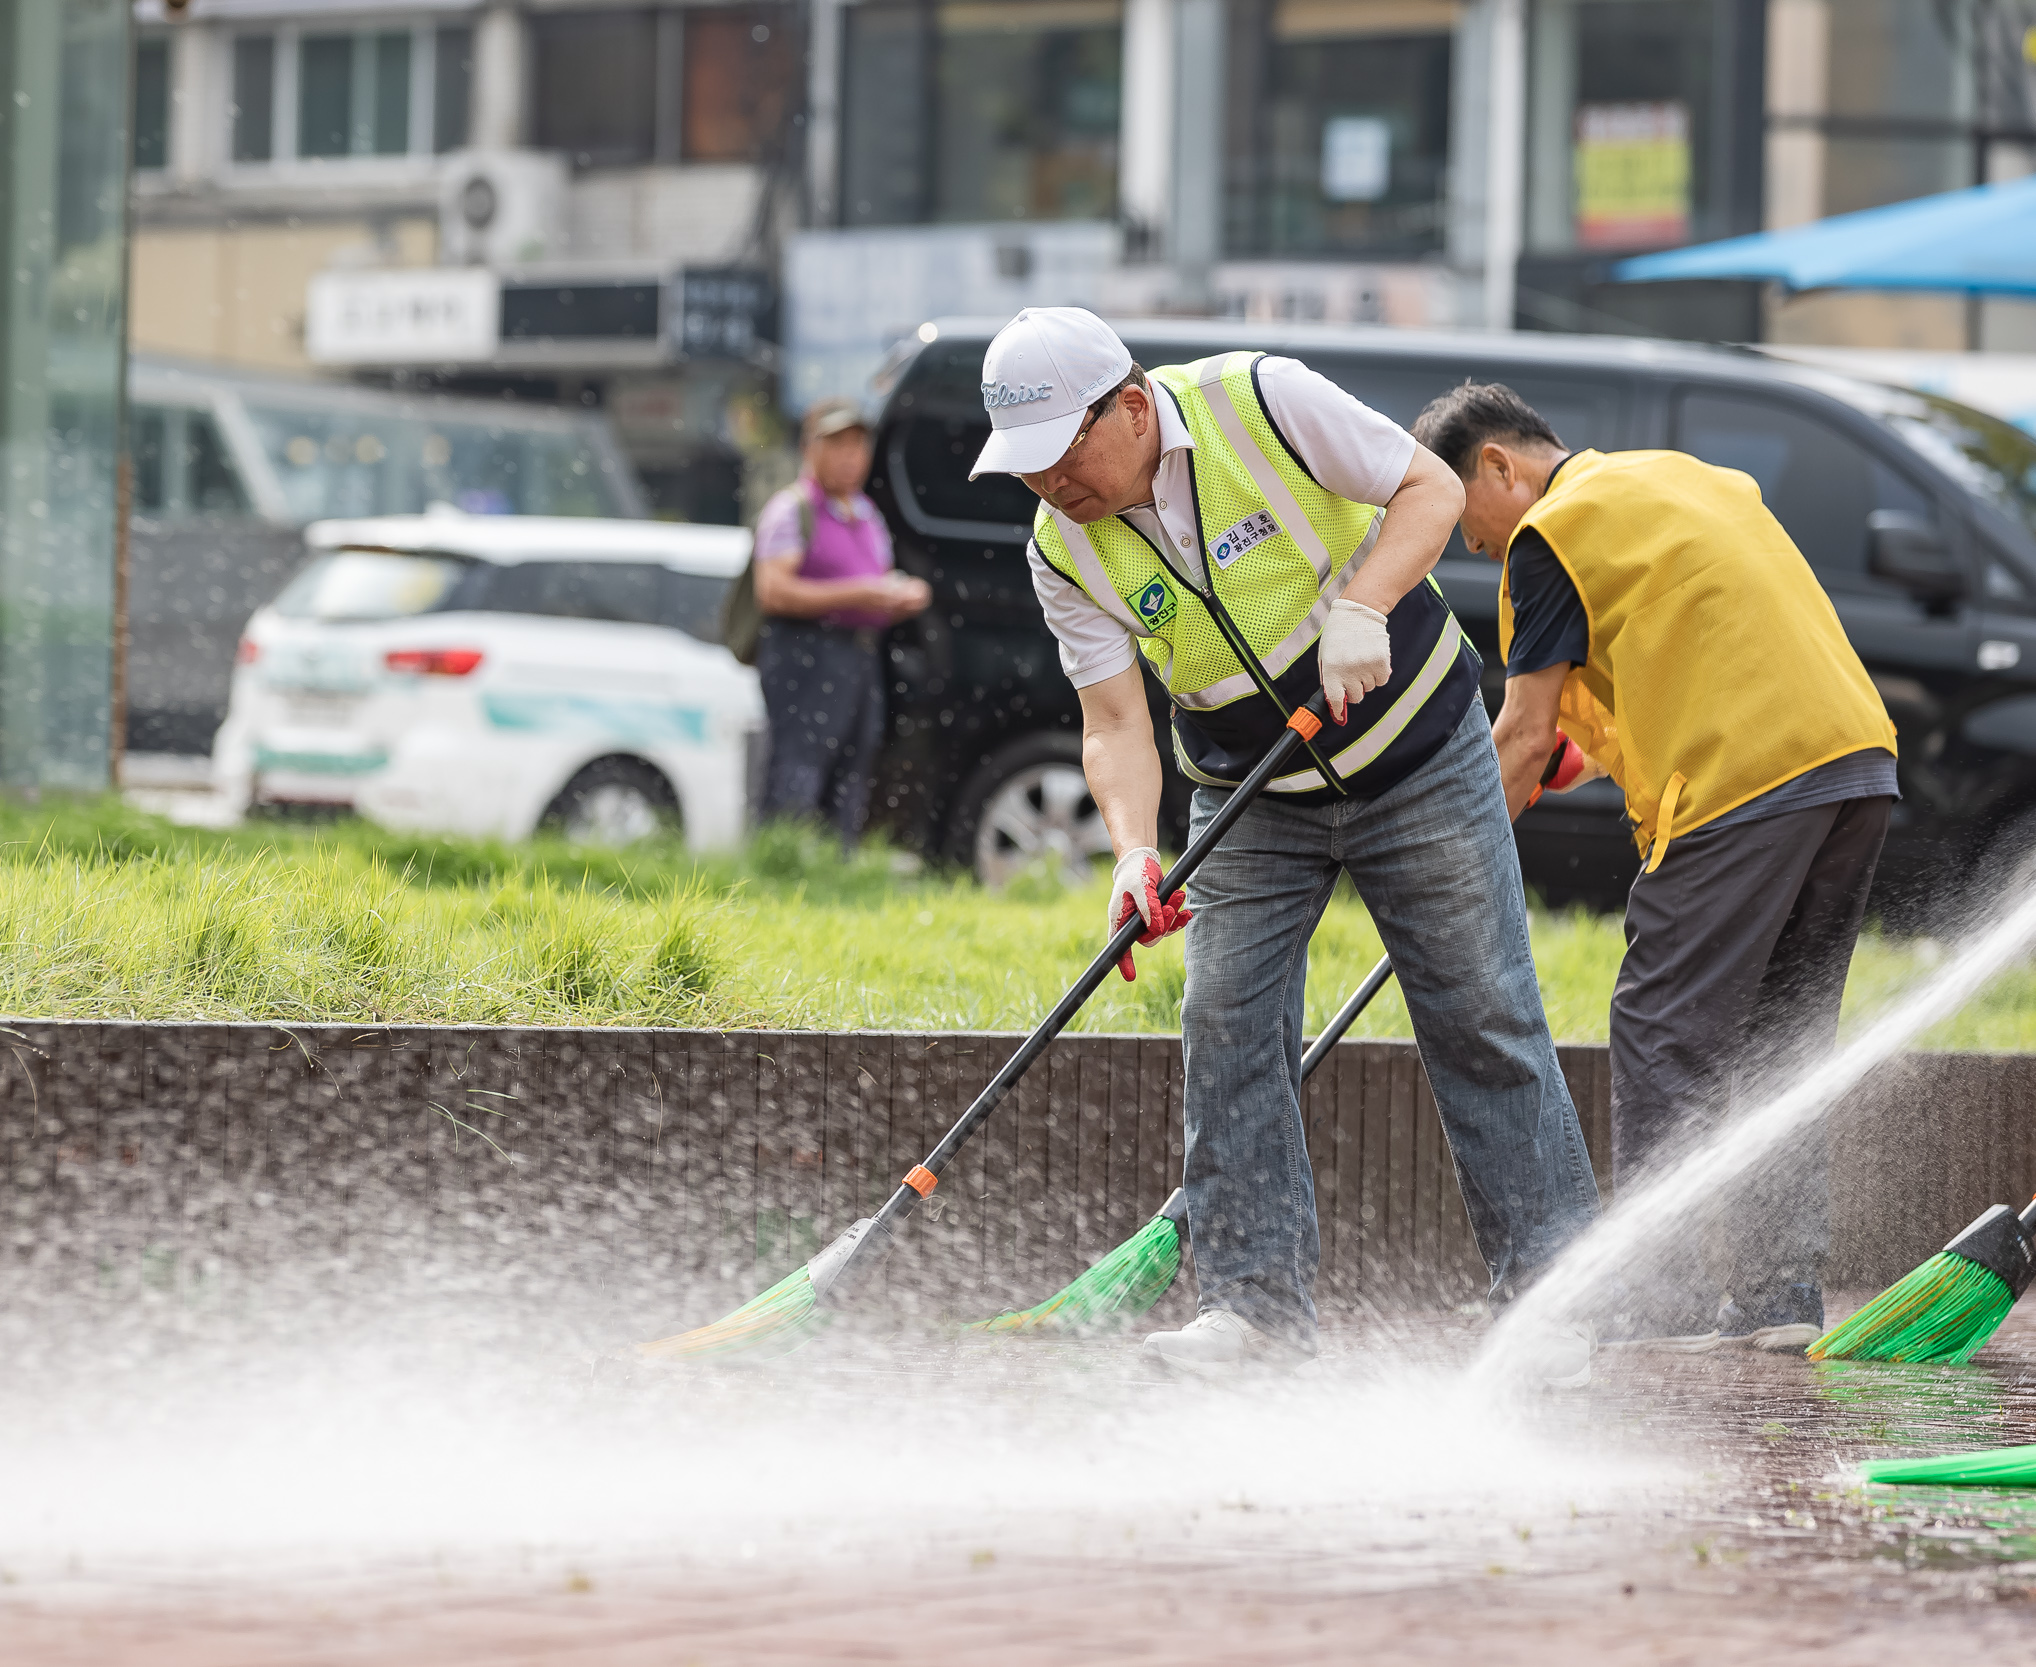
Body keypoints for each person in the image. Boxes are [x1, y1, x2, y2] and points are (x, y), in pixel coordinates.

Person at [971, 307, 1600, 1376]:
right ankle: (1255, 1311)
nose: (1048, 484)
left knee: (1482, 1017)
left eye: (1060, 453)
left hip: (1418, 756)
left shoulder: (1257, 399)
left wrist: (1363, 603)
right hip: (1247, 794)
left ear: (1128, 407)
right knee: (1224, 1024)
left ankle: (1555, 1310)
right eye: (1023, 467)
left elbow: (1431, 488)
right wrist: (1132, 849)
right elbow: (1115, 724)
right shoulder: (1059, 548)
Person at [1414, 382, 1898, 1355]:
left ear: (1498, 467)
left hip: (1740, 778)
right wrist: (1579, 752)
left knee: (1661, 1030)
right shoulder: (1676, 480)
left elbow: (1518, 733)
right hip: (1853, 763)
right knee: (1780, 1037)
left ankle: (1659, 1296)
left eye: (1470, 528)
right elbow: (1692, 640)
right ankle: (1776, 1295)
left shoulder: (1551, 531)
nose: (1478, 551)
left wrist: (1440, 863)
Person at [751, 398, 931, 847]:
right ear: (810, 448)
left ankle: (833, 874)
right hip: (804, 653)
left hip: (859, 654)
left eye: (857, 445)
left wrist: (898, 597)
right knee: (798, 766)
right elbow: (772, 591)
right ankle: (783, 865)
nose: (849, 456)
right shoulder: (791, 510)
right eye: (836, 445)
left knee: (852, 764)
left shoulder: (866, 514)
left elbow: (878, 578)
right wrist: (859, 594)